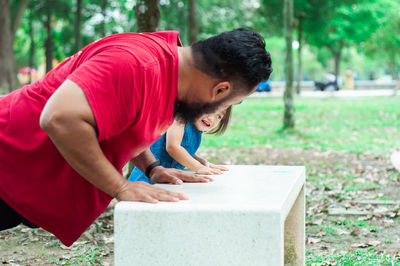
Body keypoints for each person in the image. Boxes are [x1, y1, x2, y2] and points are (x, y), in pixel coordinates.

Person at [0, 28, 272, 246]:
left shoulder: (168, 72)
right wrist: (121, 187)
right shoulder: (136, 64)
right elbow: (59, 118)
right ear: (220, 90)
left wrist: (153, 168)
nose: (224, 111)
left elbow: (123, 119)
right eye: (232, 103)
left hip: (24, 179)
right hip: (10, 160)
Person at [129, 107, 231, 184]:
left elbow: (185, 149)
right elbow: (173, 147)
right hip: (150, 174)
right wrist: (198, 167)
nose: (211, 118)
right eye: (209, 110)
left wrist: (202, 162)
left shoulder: (197, 130)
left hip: (169, 178)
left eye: (219, 116)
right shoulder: (180, 118)